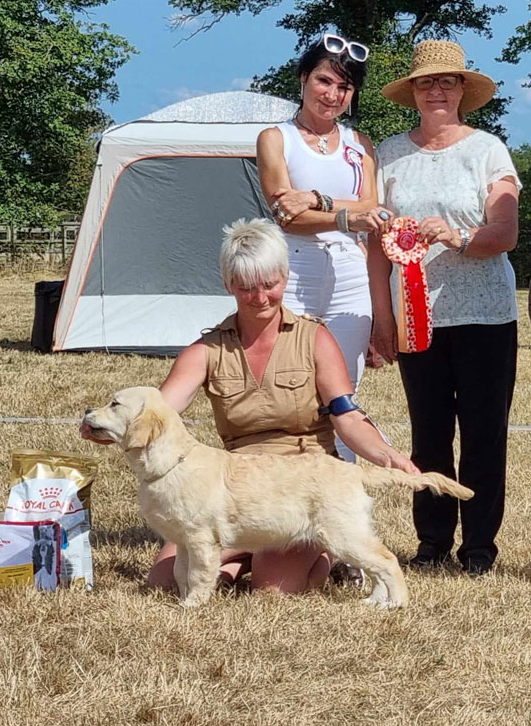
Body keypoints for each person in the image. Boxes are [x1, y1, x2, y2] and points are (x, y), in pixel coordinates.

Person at [130, 218, 418, 594]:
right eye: (247, 288)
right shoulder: (206, 350)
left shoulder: (316, 339)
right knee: (165, 583)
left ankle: (327, 552)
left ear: (285, 276)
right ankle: (234, 563)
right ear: (228, 284)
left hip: (299, 491)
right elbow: (160, 413)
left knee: (272, 590)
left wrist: (385, 454)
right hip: (230, 492)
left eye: (270, 284)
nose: (261, 297)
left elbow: (347, 416)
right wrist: (120, 426)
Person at [368, 40, 521, 576]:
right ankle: (431, 540)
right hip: (416, 318)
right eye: (426, 82)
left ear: (462, 91)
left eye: (447, 81)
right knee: (428, 433)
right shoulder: (387, 154)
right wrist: (381, 317)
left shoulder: (489, 150)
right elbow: (373, 242)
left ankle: (479, 547)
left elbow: (505, 235)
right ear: (412, 92)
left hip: (484, 316)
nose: (437, 89)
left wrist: (457, 237)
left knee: (484, 434)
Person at [257, 33, 390, 462]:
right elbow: (285, 214)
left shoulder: (360, 145)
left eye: (344, 87)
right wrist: (348, 217)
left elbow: (374, 206)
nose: (333, 95)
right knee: (289, 384)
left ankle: (339, 492)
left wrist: (318, 199)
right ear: (303, 79)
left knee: (342, 390)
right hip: (293, 274)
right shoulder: (276, 138)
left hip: (351, 276)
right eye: (324, 81)